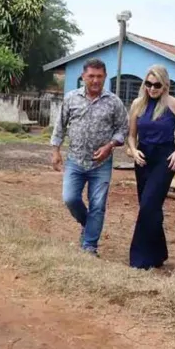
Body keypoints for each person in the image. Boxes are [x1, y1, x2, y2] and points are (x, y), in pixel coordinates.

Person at [50, 58, 128, 256]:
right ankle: (87, 224)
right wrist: (56, 150)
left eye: (99, 76)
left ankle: (90, 246)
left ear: (105, 77)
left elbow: (122, 130)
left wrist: (110, 146)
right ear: (83, 76)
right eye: (91, 76)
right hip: (75, 160)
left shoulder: (114, 102)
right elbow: (61, 124)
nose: (95, 80)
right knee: (70, 198)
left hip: (101, 164)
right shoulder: (71, 98)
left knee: (98, 205)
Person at [126, 64, 175, 270]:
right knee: (150, 208)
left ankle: (139, 258)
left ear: (165, 85)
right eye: (148, 84)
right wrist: (133, 150)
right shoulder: (137, 104)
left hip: (165, 158)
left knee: (148, 205)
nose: (152, 89)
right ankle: (159, 253)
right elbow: (131, 135)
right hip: (143, 158)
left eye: (156, 85)